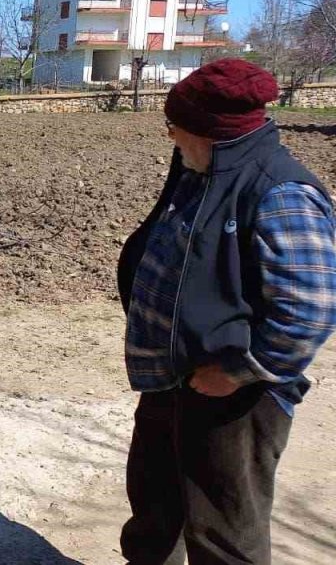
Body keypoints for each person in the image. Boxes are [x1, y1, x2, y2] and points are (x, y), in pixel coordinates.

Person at [117, 59, 336, 564]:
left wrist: (237, 372)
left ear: (209, 132)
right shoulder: (203, 171)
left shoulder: (279, 192)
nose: (170, 137)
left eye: (175, 127)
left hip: (234, 396)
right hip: (173, 378)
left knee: (224, 535)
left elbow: (310, 310)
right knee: (155, 517)